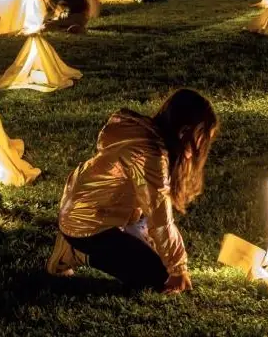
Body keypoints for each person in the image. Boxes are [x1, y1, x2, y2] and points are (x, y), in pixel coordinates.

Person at [46, 89, 218, 293]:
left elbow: (155, 208)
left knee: (162, 262)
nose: (203, 145)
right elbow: (160, 217)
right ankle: (75, 252)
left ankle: (121, 242)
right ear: (184, 132)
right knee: (159, 278)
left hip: (111, 213)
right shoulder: (149, 155)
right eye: (202, 137)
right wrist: (178, 268)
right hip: (88, 225)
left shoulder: (149, 139)